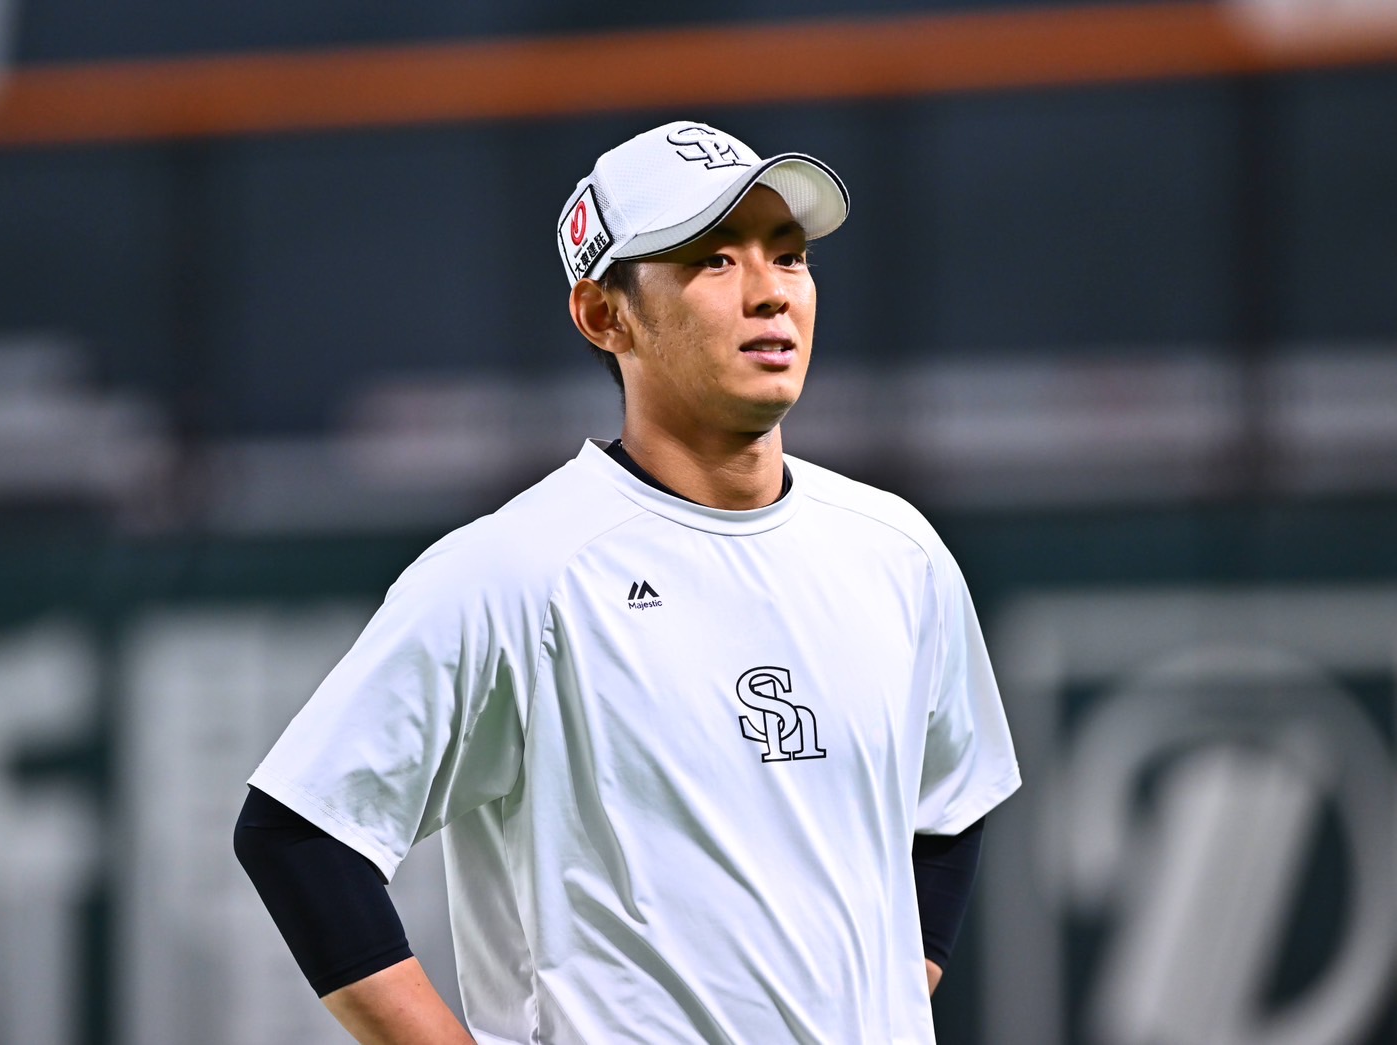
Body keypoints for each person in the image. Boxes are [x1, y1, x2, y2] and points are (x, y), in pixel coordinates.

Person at [234, 120, 1020, 1044]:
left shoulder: (896, 549)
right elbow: (300, 833)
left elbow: (949, 804)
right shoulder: (516, 570)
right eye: (713, 260)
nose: (770, 291)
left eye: (789, 255)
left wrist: (888, 994)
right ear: (605, 316)